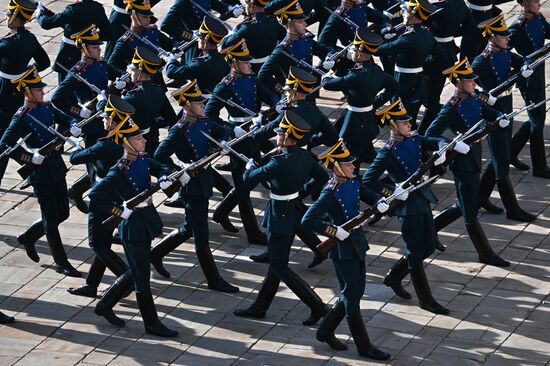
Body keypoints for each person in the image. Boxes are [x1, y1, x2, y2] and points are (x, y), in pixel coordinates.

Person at [233, 111, 329, 325]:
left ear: (287, 137)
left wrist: (249, 167)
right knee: (276, 263)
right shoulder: (304, 156)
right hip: (293, 206)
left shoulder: (279, 162)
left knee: (280, 266)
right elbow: (322, 177)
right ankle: (260, 307)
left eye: (279, 134)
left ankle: (318, 306)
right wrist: (298, 190)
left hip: (280, 214)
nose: (276, 137)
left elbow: (248, 180)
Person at [88, 116, 179, 338]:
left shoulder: (143, 158)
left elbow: (161, 165)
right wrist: (119, 211)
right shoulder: (118, 170)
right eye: (138, 138)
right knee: (141, 277)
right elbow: (95, 194)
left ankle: (105, 304)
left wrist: (166, 175)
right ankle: (152, 324)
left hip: (146, 219)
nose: (144, 140)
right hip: (133, 227)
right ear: (127, 143)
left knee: (138, 269)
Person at [302, 139, 391, 360]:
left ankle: (324, 331)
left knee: (355, 290)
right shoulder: (329, 193)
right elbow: (308, 220)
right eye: (348, 164)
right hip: (342, 248)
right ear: (336, 167)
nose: (353, 166)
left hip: (357, 242)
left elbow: (367, 194)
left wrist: (380, 201)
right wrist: (333, 231)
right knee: (352, 295)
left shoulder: (352, 181)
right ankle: (364, 345)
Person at [363, 99, 452, 315]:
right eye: (404, 123)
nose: (410, 126)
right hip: (407, 206)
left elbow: (437, 139)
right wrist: (391, 191)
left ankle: (394, 276)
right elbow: (368, 181)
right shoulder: (387, 152)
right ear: (393, 127)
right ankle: (426, 299)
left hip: (422, 199)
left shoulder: (414, 140)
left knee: (429, 246)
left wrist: (441, 150)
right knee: (415, 251)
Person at [149, 80, 239, 293]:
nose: (202, 106)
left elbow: (222, 130)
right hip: (192, 186)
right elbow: (159, 156)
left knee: (190, 228)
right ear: (187, 105)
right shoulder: (178, 130)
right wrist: (180, 170)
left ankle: (155, 254)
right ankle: (213, 278)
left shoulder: (204, 121)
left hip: (205, 178)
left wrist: (223, 142)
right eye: (198, 103)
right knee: (201, 237)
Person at [425, 57, 511, 268]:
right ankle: (485, 253)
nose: (474, 84)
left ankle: (428, 231)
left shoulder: (473, 97)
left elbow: (484, 112)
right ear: (458, 84)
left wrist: (499, 116)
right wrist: (451, 144)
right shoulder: (451, 107)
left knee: (464, 204)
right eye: (470, 81)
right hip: (462, 162)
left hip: (474, 157)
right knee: (470, 212)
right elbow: (429, 135)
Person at [0, 67, 81, 277]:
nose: (43, 93)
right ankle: (61, 262)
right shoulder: (21, 117)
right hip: (39, 170)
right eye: (38, 90)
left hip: (54, 164)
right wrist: (28, 157)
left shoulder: (46, 107)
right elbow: (5, 143)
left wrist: (73, 125)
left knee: (63, 212)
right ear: (27, 93)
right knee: (51, 219)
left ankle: (29, 236)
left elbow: (65, 118)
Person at [205, 35, 278, 245]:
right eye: (244, 61)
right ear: (233, 63)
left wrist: (277, 104)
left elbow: (269, 95)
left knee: (248, 181)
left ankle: (222, 211)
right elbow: (210, 117)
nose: (249, 64)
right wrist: (231, 130)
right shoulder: (224, 86)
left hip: (254, 134)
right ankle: (253, 233)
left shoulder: (252, 78)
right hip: (238, 138)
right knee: (244, 187)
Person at [50, 24, 124, 213]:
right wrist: (79, 111)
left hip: (108, 119)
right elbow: (58, 98)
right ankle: (99, 209)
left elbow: (117, 74)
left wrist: (124, 79)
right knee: (97, 168)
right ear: (83, 49)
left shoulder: (100, 63)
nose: (99, 50)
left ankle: (78, 191)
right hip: (92, 125)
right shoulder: (77, 72)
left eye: (99, 47)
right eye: (94, 47)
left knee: (111, 164)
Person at [66, 95, 133, 298]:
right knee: (103, 242)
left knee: (96, 244)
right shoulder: (128, 138)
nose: (103, 120)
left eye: (106, 118)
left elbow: (74, 158)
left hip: (102, 198)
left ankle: (127, 278)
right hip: (119, 196)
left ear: (113, 122)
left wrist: (80, 148)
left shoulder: (104, 145)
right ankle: (92, 284)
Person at [472, 15, 536, 222]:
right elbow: (468, 88)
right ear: (492, 37)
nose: (508, 39)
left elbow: (523, 60)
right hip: (493, 111)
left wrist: (524, 67)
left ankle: (481, 197)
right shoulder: (481, 61)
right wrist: (486, 98)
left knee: (502, 153)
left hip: (507, 106)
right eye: (504, 36)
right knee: (501, 161)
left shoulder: (506, 53)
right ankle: (512, 208)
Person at [322, 27, 399, 169]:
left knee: (350, 156)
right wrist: (376, 102)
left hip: (355, 118)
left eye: (355, 50)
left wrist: (327, 73)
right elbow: (393, 86)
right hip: (368, 115)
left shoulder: (356, 75)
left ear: (361, 54)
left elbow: (328, 85)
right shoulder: (377, 70)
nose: (352, 52)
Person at [375, 0, 448, 126]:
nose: (403, 14)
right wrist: (422, 67)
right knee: (411, 118)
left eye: (405, 12)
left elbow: (377, 51)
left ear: (413, 17)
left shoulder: (407, 38)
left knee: (399, 118)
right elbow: (442, 57)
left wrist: (381, 36)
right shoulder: (427, 34)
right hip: (419, 81)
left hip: (402, 82)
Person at [0, 0, 50, 186]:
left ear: (14, 16)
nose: (6, 17)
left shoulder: (6, 44)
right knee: (25, 130)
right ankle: (31, 167)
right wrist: (25, 74)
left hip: (5, 92)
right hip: (25, 90)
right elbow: (44, 62)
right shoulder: (29, 38)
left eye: (8, 14)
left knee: (4, 138)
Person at [509, 0, 550, 178]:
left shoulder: (538, 18)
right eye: (534, 1)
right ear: (525, 4)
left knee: (537, 116)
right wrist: (522, 64)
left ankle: (511, 153)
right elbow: (502, 50)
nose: (539, 4)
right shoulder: (518, 26)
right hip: (529, 79)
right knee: (537, 121)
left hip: (539, 73)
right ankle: (540, 167)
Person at [36, 0, 111, 82]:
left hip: (69, 53)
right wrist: (89, 37)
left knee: (64, 88)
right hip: (89, 53)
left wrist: (40, 13)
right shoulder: (98, 8)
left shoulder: (73, 9)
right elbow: (107, 34)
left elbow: (46, 23)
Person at [122, 47, 178, 154]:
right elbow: (170, 118)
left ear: (139, 72)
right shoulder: (158, 91)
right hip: (151, 138)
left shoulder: (132, 96)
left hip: (132, 143)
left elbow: (112, 113)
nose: (131, 73)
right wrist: (153, 122)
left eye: (133, 70)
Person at [231, 0, 286, 74]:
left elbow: (226, 44)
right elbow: (284, 39)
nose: (245, 6)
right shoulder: (274, 22)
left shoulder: (246, 27)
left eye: (247, 3)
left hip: (247, 68)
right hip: (267, 65)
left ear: (253, 6)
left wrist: (234, 31)